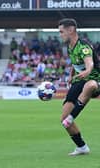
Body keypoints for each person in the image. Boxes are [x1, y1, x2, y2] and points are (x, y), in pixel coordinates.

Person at [58, 18, 100, 156]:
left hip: (94, 79)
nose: (60, 35)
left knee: (91, 85)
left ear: (71, 30)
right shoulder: (70, 46)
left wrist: (87, 71)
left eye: (61, 31)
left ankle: (73, 116)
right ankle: (82, 147)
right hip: (79, 80)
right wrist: (71, 75)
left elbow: (89, 64)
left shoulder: (84, 46)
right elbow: (75, 63)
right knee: (64, 117)